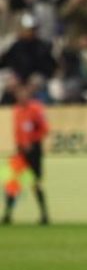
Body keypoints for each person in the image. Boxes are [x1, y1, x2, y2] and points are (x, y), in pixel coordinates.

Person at [1, 80, 49, 225]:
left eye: (24, 94)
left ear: (29, 95)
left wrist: (32, 142)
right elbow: (18, 132)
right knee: (12, 182)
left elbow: (44, 129)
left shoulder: (36, 109)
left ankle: (44, 215)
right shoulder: (17, 110)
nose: (21, 97)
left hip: (34, 151)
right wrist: (19, 146)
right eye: (19, 94)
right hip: (20, 152)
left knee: (35, 183)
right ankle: (7, 215)